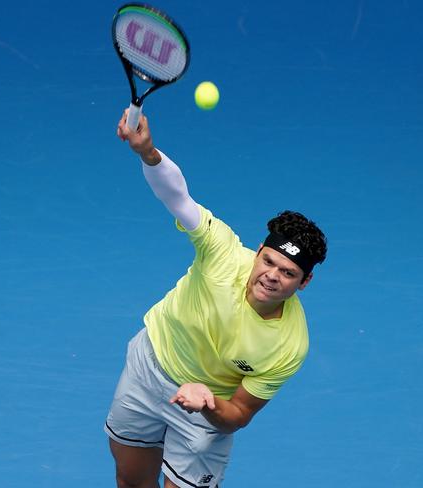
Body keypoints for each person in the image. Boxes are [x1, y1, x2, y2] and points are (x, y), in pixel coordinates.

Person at [105, 110, 327, 488]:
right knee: (130, 479)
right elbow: (178, 198)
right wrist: (148, 153)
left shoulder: (289, 344)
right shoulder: (221, 251)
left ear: (303, 282)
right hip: (149, 368)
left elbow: (239, 413)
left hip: (207, 409)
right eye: (269, 261)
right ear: (258, 251)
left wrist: (207, 402)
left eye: (288, 273)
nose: (272, 276)